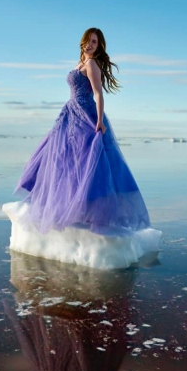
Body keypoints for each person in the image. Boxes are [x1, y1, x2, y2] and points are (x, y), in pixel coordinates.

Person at [15, 27, 151, 235]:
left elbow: (98, 93)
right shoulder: (80, 63)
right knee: (67, 160)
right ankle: (75, 208)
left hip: (85, 114)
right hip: (71, 114)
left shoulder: (91, 64)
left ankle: (92, 212)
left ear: (99, 46)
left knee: (89, 162)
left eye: (94, 42)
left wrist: (99, 120)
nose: (90, 44)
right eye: (88, 40)